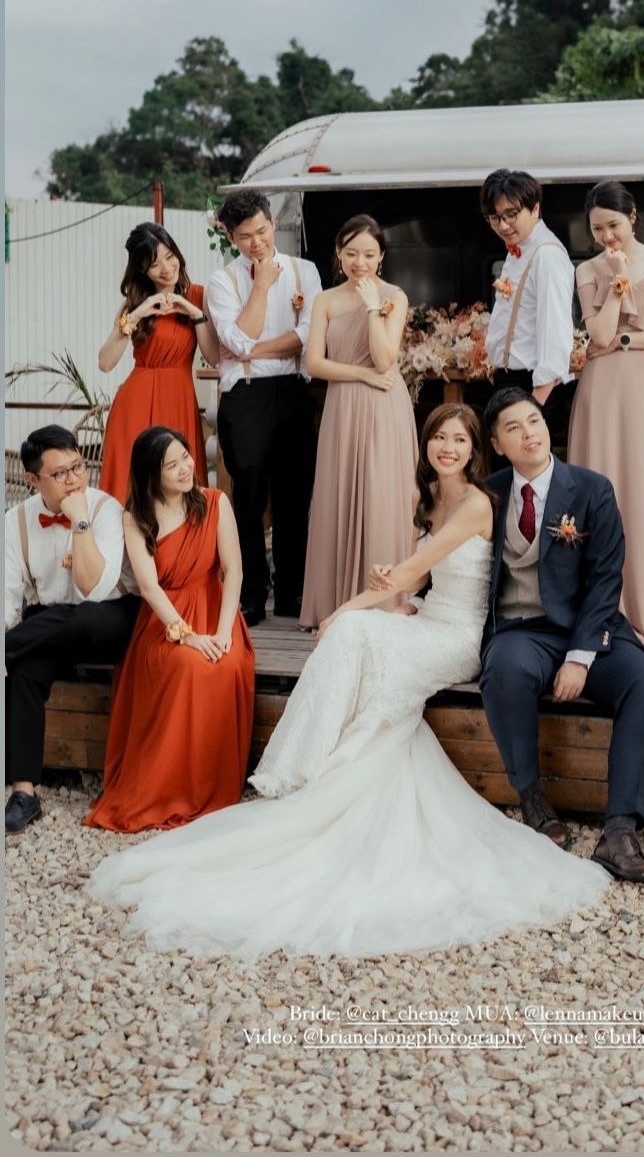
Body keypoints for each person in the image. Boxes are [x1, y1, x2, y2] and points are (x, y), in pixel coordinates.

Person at [86, 404, 610, 957]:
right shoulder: (431, 496)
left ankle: (315, 771)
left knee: (351, 629)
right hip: (428, 617)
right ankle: (305, 770)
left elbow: (413, 570)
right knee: (354, 636)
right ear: (427, 445)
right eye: (439, 438)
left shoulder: (478, 503)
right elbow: (419, 581)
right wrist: (395, 598)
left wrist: (347, 606)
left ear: (475, 449)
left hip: (458, 638)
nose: (448, 448)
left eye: (459, 440)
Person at [480, 387, 644, 884]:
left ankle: (620, 832)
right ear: (497, 444)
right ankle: (533, 801)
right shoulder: (488, 495)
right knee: (504, 670)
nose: (529, 434)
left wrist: (581, 656)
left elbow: (607, 578)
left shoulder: (591, 489)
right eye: (513, 428)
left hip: (591, 626)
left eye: (534, 421)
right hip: (522, 629)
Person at [83, 429, 254, 832]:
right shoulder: (135, 517)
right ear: (151, 473)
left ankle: (212, 787)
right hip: (166, 618)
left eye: (186, 458)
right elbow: (149, 587)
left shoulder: (215, 502)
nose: (185, 469)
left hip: (216, 609)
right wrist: (186, 635)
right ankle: (171, 787)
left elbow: (234, 571)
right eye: (171, 465)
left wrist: (224, 633)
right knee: (186, 665)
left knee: (227, 665)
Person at [567, 180, 644, 639]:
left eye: (613, 225)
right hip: (603, 389)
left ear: (632, 217)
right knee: (606, 484)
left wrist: (626, 340)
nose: (607, 236)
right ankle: (607, 610)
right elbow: (597, 334)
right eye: (597, 229)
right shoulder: (587, 270)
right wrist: (617, 283)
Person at [5, 427, 140, 835]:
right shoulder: (15, 521)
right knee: (25, 668)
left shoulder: (106, 510)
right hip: (47, 625)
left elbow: (95, 588)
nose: (74, 479)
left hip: (105, 619)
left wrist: (80, 519)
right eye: (60, 473)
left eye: (78, 466)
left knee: (82, 618)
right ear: (33, 479)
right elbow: (7, 597)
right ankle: (25, 791)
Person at [206, 190, 322, 625]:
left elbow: (309, 335)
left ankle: (291, 591)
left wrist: (252, 347)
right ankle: (251, 591)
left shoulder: (305, 271)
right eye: (245, 236)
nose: (256, 242)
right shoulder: (223, 281)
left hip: (293, 389)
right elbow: (234, 341)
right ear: (231, 237)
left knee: (295, 493)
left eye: (261, 231)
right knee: (249, 495)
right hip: (246, 392)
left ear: (272, 223)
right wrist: (260, 286)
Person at [298, 215, 418, 630]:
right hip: (344, 404)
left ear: (381, 256)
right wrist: (361, 375)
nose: (359, 262)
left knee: (382, 494)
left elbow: (385, 359)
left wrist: (371, 307)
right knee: (338, 492)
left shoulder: (394, 296)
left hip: (385, 407)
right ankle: (333, 603)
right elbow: (314, 364)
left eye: (368, 254)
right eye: (351, 254)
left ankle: (384, 599)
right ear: (338, 254)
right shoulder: (326, 300)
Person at [98, 223, 218, 505]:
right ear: (141, 270)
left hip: (178, 400)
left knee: (181, 491)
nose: (166, 268)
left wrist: (195, 314)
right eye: (154, 264)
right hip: (135, 406)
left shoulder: (198, 296)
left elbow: (214, 357)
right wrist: (137, 313)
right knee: (131, 490)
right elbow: (105, 362)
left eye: (169, 256)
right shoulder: (134, 304)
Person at [481, 169, 575, 415]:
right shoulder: (519, 248)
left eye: (511, 215)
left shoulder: (547, 255)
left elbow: (555, 334)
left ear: (535, 208)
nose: (503, 225)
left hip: (534, 386)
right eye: (495, 217)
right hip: (509, 381)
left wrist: (535, 405)